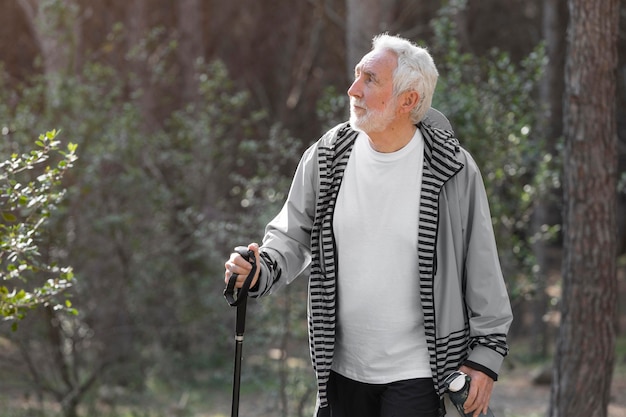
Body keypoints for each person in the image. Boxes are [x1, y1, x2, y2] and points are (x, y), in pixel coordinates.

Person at [224, 33, 513, 417]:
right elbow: (291, 235)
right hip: (342, 372)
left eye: (371, 79)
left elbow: (482, 269)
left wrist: (485, 357)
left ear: (408, 100)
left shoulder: (453, 169)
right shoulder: (328, 157)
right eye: (358, 75)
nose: (353, 89)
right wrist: (260, 268)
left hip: (421, 374)